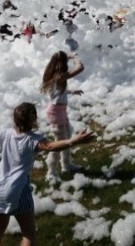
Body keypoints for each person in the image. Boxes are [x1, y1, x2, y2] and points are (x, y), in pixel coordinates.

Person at [0, 102, 95, 246]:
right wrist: (74, 141)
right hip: (18, 190)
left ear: (15, 119)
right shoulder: (33, 139)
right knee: (28, 234)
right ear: (33, 120)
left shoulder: (5, 134)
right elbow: (51, 146)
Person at [39, 51, 86, 182]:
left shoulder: (55, 75)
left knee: (67, 139)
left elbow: (58, 92)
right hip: (55, 113)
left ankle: (66, 165)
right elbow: (80, 68)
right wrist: (75, 57)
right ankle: (51, 172)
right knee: (58, 144)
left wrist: (71, 91)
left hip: (60, 111)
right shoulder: (59, 76)